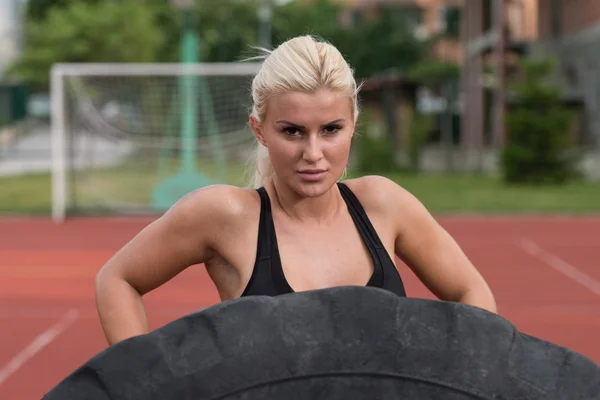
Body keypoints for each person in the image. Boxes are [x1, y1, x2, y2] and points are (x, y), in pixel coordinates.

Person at [95, 35, 496, 346]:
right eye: (292, 131)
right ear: (260, 130)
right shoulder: (225, 215)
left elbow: (470, 289)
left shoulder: (382, 204)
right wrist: (145, 381)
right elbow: (118, 279)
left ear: (353, 123)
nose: (314, 154)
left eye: (331, 129)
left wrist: (460, 376)